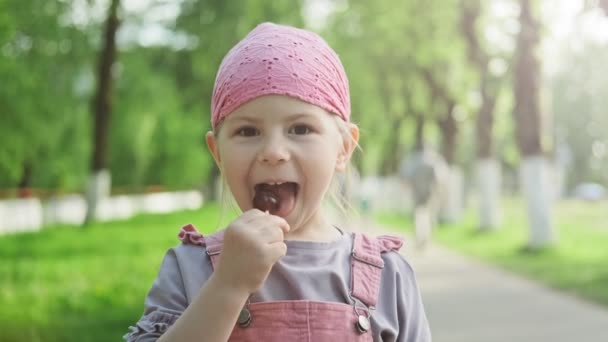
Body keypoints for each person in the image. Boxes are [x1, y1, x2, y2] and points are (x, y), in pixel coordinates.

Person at [125, 22, 431, 342]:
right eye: (247, 131)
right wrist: (228, 286)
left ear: (343, 148)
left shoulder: (389, 276)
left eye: (300, 129)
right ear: (218, 153)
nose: (273, 152)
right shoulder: (189, 269)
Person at [399, 145, 447, 249]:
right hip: (430, 193)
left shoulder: (414, 161)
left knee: (417, 216)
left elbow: (407, 177)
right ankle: (426, 238)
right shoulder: (434, 161)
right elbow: (439, 178)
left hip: (417, 192)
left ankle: (419, 237)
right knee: (429, 216)